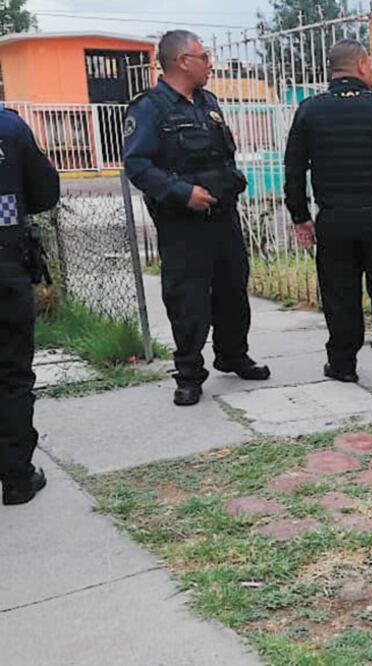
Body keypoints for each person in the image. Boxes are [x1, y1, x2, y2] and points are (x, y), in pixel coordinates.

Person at [124, 30, 270, 406]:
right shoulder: (149, 108)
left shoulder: (208, 103)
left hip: (223, 216)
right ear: (182, 61)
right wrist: (182, 193)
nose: (209, 64)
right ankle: (189, 372)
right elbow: (137, 165)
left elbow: (223, 157)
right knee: (188, 299)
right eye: (203, 57)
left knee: (233, 288)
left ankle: (233, 354)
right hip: (183, 225)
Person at [284, 39, 372, 389]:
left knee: (339, 295)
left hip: (334, 220)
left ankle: (342, 363)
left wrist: (301, 216)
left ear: (332, 70)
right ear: (362, 65)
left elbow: (293, 169)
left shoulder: (310, 110)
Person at [0, 106, 60, 505]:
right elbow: (43, 193)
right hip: (4, 265)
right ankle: (18, 478)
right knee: (11, 374)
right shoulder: (9, 128)